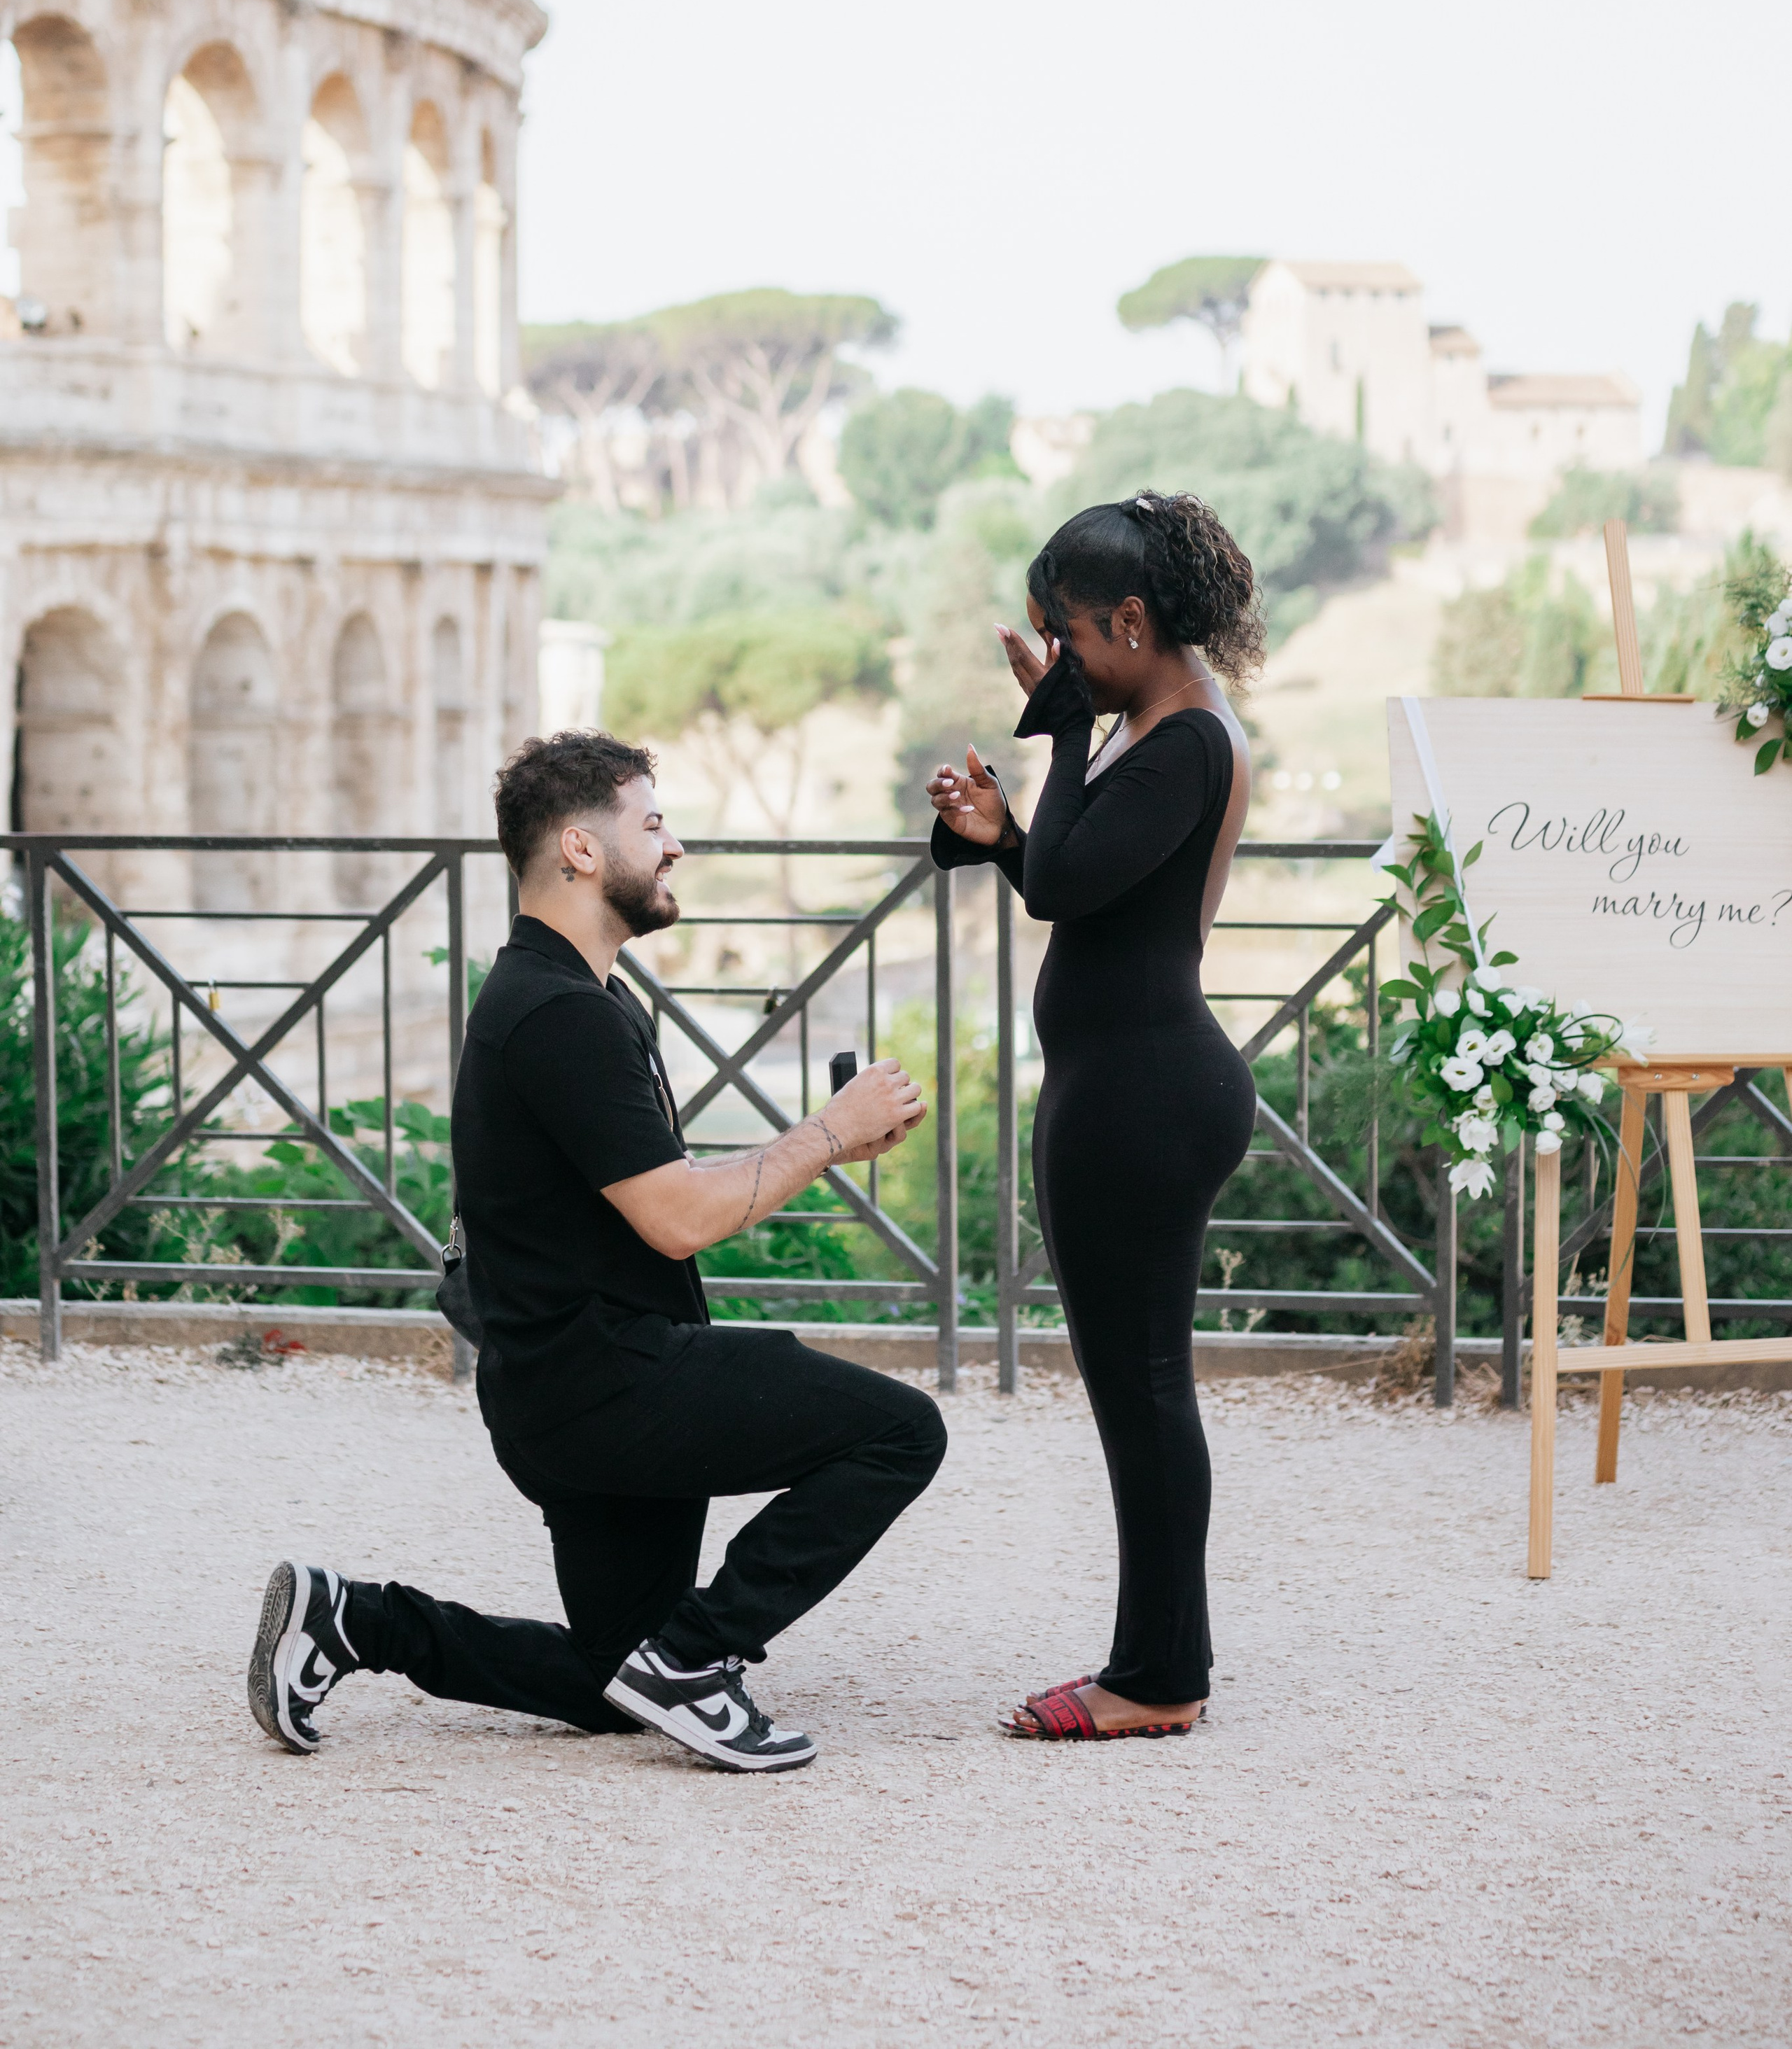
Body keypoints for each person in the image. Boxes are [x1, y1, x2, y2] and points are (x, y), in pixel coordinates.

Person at [248, 728, 943, 1774]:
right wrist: (830, 1135)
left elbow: (652, 1192)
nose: (673, 847)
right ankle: (701, 1659)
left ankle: (356, 1621)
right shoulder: (560, 1015)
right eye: (652, 823)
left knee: (616, 1681)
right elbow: (679, 1221)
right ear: (580, 849)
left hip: (569, 1388)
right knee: (901, 1432)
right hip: (608, 1385)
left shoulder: (582, 998)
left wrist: (823, 1141)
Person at [926, 489, 1263, 1743]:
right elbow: (1081, 882)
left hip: (1143, 1100)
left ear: (1131, 618)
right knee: (1140, 1388)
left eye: (1067, 640)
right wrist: (1000, 832)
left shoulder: (1182, 740)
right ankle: (1162, 1660)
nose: (1057, 662)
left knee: (1145, 1391)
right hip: (1129, 1087)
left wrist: (1055, 734)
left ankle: (1160, 1676)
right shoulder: (1163, 727)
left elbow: (1067, 885)